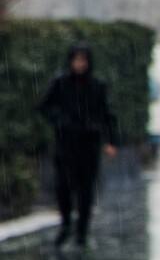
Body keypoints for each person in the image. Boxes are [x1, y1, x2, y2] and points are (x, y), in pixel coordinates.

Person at [38, 43, 118, 247]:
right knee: (63, 186)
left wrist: (110, 140)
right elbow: (45, 107)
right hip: (66, 142)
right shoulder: (61, 83)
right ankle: (66, 223)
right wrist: (61, 121)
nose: (80, 64)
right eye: (76, 60)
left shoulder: (97, 86)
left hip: (89, 143)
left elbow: (108, 114)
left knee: (86, 189)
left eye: (83, 60)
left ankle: (82, 230)